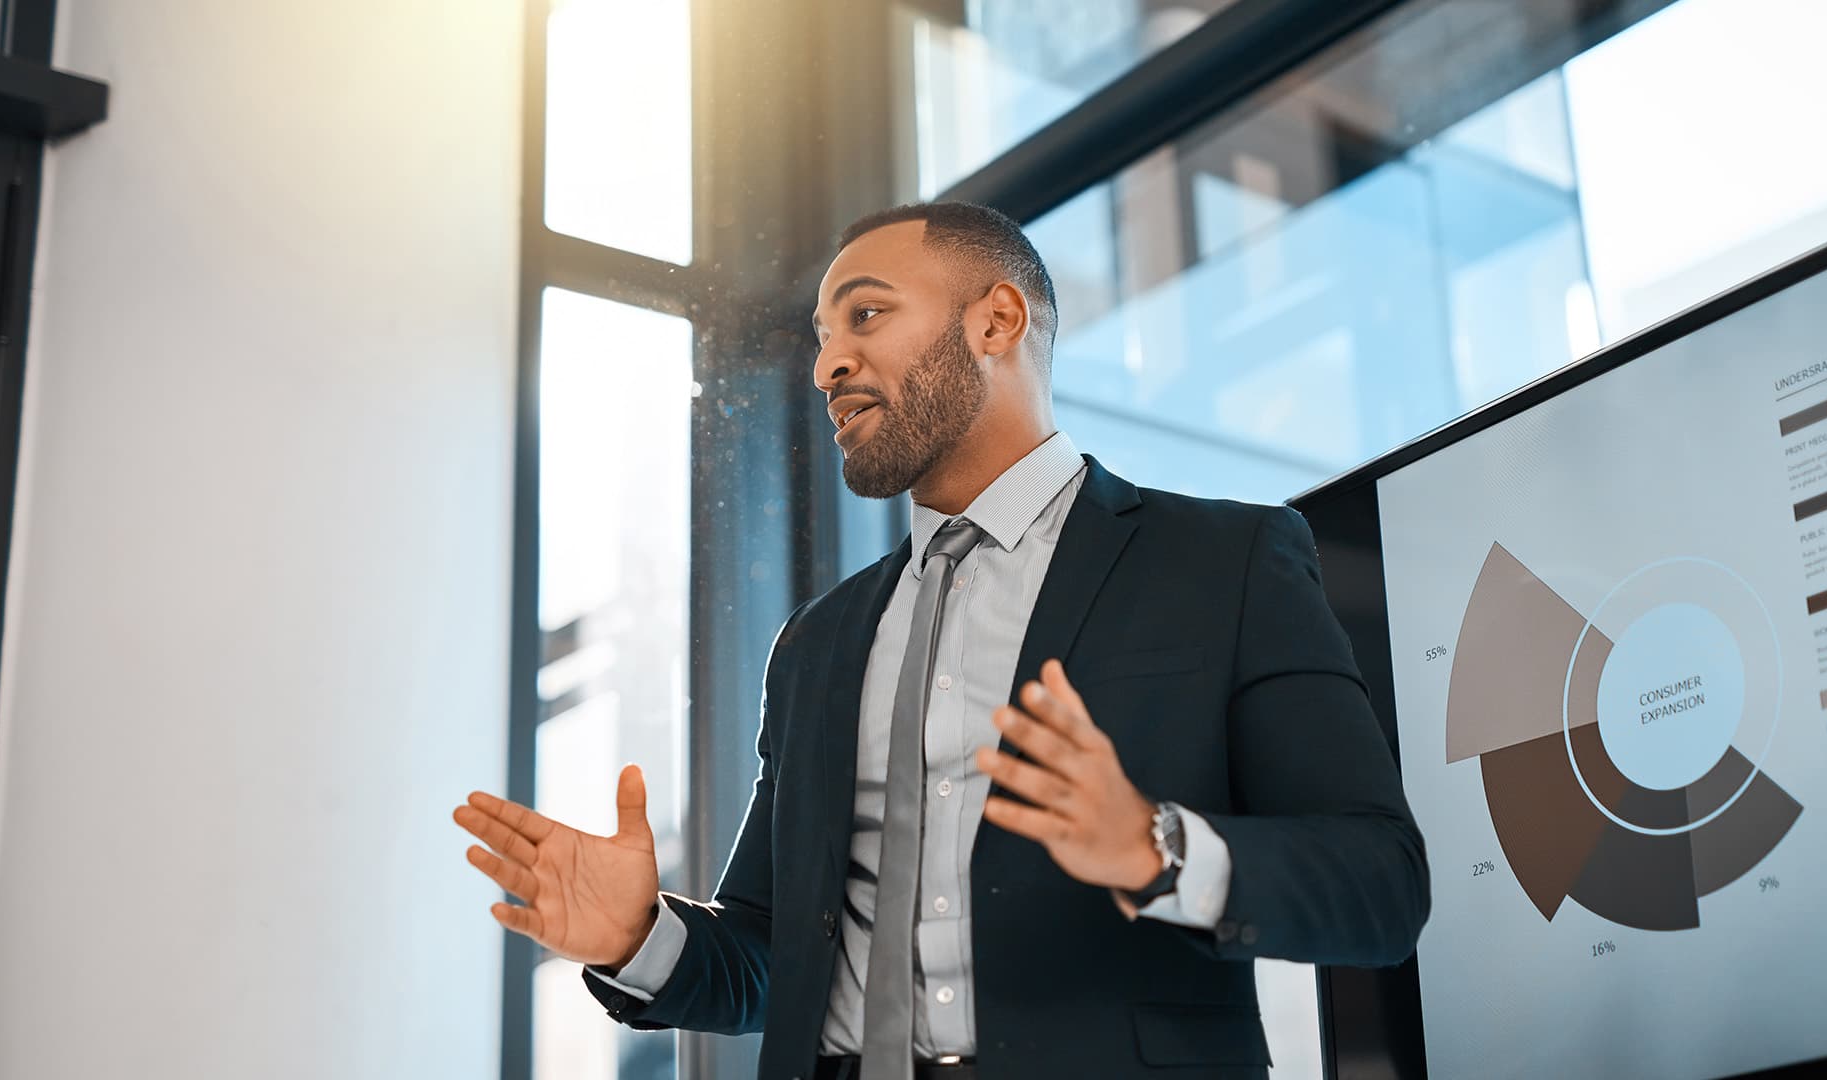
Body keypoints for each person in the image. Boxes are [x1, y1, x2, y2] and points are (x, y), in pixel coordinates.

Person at [453, 202, 1429, 1080]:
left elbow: (1380, 887)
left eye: (864, 317)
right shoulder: (816, 645)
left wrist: (1153, 845)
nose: (828, 363)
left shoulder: (1226, 561)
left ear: (995, 322)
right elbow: (768, 958)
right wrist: (640, 936)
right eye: (821, 335)